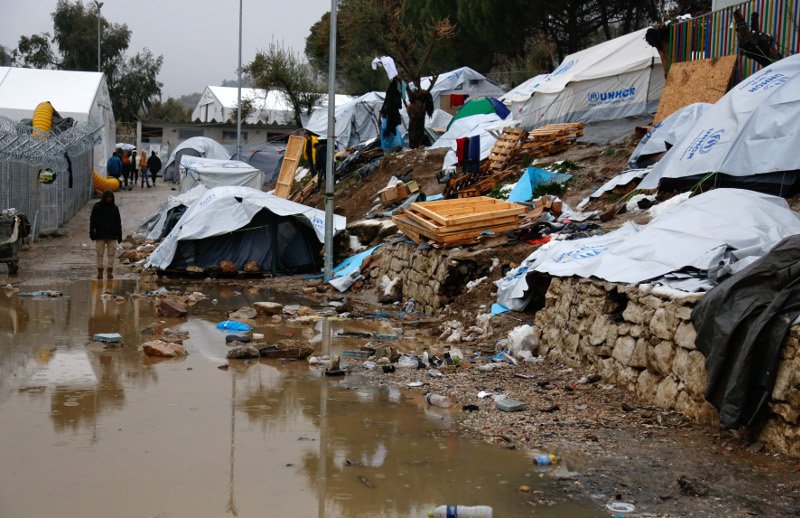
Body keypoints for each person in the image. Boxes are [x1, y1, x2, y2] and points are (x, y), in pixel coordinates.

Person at [89, 190, 122, 280]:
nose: (109, 199)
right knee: (100, 253)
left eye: (110, 198)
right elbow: (92, 220)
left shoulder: (114, 208)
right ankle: (100, 272)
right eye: (107, 197)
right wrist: (92, 232)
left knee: (111, 254)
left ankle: (109, 271)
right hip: (100, 234)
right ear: (104, 198)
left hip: (112, 235)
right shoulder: (97, 207)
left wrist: (119, 235)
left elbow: (118, 222)